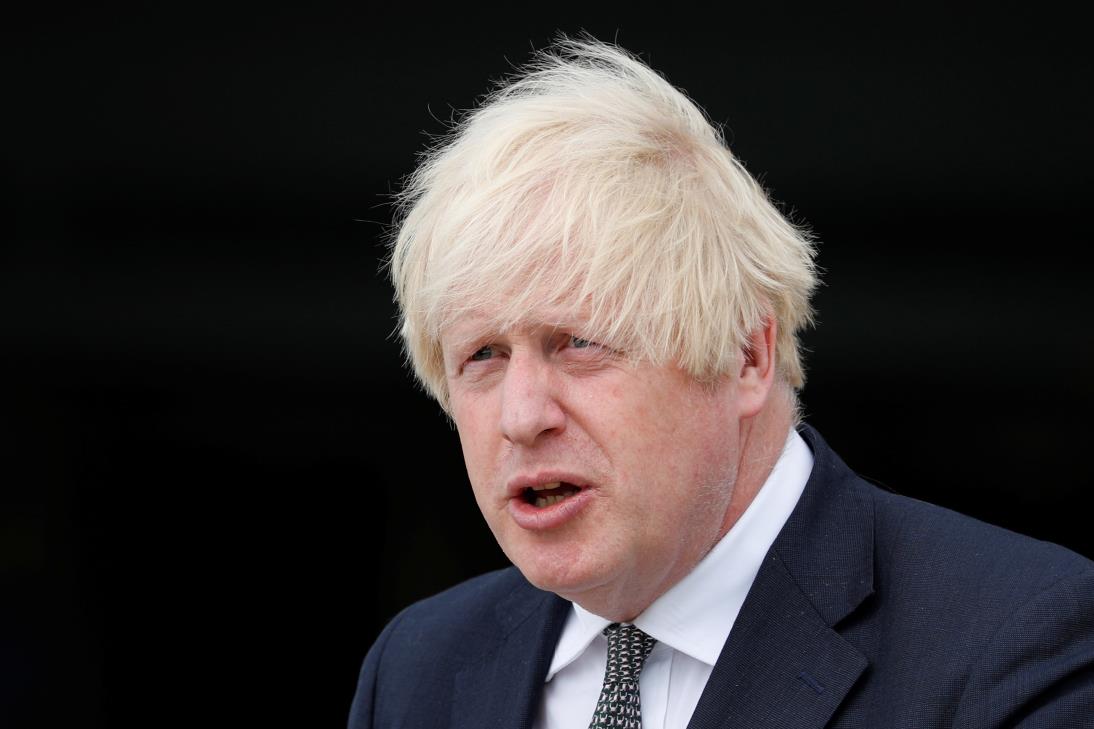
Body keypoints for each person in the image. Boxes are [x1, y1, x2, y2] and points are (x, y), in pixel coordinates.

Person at [349, 37, 1094, 728]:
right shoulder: (417, 668)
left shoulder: (1019, 641)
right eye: (483, 354)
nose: (520, 415)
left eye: (577, 342)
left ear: (746, 355)